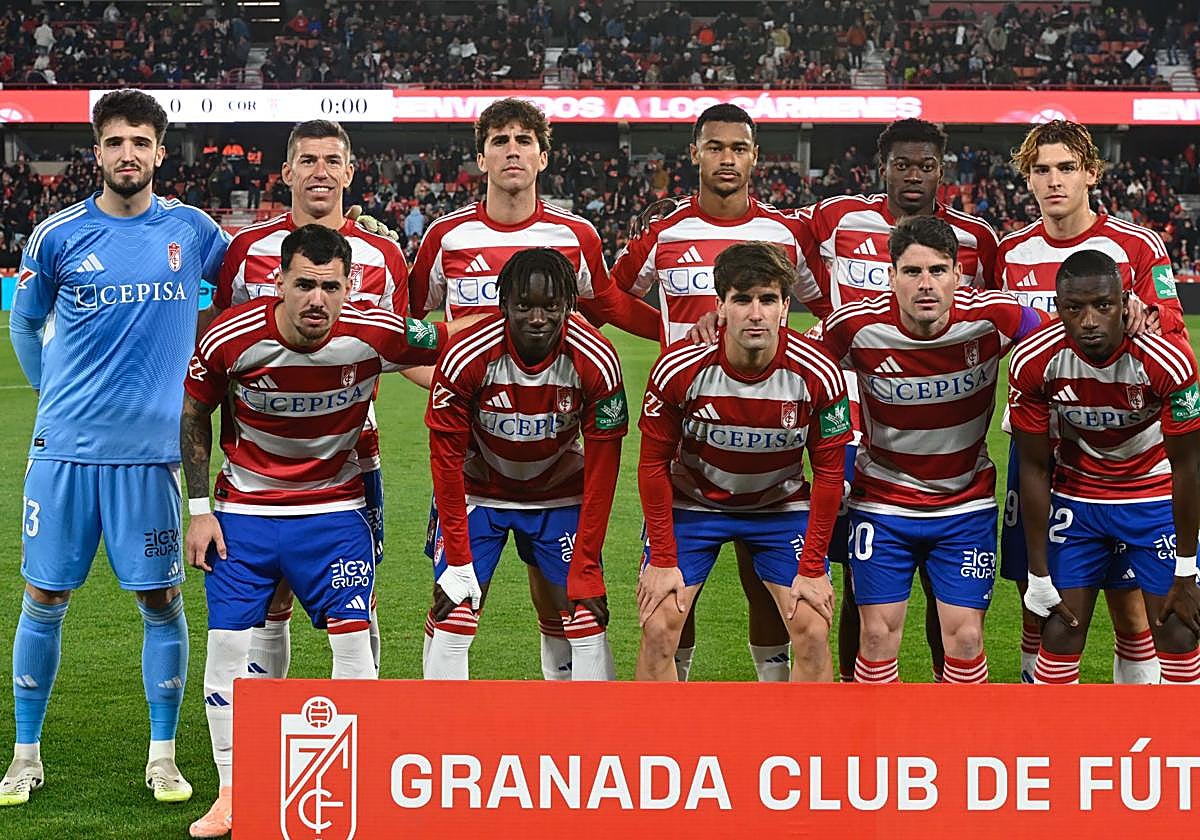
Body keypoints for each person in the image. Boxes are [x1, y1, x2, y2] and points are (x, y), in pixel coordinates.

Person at [181, 225, 454, 837]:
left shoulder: (376, 331)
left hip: (335, 511)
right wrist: (198, 509)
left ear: (349, 286)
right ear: (279, 282)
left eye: (330, 287)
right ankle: (234, 787)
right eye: (303, 284)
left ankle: (346, 778)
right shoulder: (231, 338)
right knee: (227, 646)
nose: (316, 300)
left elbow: (450, 342)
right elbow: (195, 412)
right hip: (245, 513)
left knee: (353, 643)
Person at [2, 90, 228, 807]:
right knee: (44, 595)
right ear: (96, 152)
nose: (127, 153)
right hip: (64, 454)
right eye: (115, 142)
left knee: (161, 600)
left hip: (155, 457)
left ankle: (162, 757)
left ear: (160, 153)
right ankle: (25, 755)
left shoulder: (193, 231)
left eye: (140, 142)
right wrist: (54, 400)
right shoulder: (56, 236)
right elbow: (24, 322)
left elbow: (245, 288)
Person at [410, 98, 659, 681]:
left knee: (567, 605)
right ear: (481, 157)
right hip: (474, 454)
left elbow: (608, 306)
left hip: (555, 460)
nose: (513, 150)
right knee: (454, 600)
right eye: (500, 140)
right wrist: (452, 389)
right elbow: (409, 334)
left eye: (525, 140)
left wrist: (685, 329)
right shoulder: (446, 237)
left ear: (543, 156)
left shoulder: (575, 234)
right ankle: (439, 734)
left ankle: (571, 733)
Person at [613, 103, 826, 683]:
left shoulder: (785, 233)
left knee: (767, 591)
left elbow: (828, 306)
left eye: (738, 148)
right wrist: (668, 334)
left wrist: (786, 345)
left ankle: (777, 697)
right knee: (679, 599)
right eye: (715, 147)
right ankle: (675, 712)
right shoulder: (665, 231)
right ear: (695, 154)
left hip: (771, 425)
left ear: (755, 156)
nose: (726, 158)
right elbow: (612, 297)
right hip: (686, 430)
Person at [202, 119, 410, 682]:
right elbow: (224, 354)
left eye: (331, 160)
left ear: (349, 170)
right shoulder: (248, 249)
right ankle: (265, 728)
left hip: (351, 453)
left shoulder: (384, 253)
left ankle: (361, 726)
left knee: (355, 597)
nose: (320, 171)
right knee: (268, 601)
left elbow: (398, 344)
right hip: (258, 458)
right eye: (308, 160)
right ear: (287, 171)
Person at [794, 119, 999, 683]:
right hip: (859, 429)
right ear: (881, 166)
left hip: (950, 441)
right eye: (902, 164)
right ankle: (855, 699)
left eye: (926, 165)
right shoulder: (836, 218)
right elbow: (768, 230)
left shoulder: (977, 238)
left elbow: (1010, 312)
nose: (913, 175)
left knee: (950, 600)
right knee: (867, 604)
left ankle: (944, 692)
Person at [997, 119, 1186, 684]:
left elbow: (1170, 325)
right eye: (1042, 170)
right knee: (1041, 603)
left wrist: (1148, 317)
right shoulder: (1009, 252)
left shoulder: (1135, 245)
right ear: (1027, 179)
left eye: (1067, 168)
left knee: (1132, 608)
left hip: (1121, 450)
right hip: (1039, 446)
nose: (1054, 181)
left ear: (1091, 174)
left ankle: (1139, 736)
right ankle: (1046, 727)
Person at [820, 216, 1047, 684]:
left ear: (958, 276)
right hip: (883, 502)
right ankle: (879, 752)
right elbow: (796, 363)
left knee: (964, 639)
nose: (926, 284)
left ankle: (956, 751)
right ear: (891, 276)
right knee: (878, 637)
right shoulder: (855, 326)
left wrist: (1144, 314)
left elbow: (1059, 335)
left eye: (938, 271)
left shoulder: (995, 318)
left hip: (965, 502)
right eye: (912, 271)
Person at [635, 242, 850, 682]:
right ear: (721, 306)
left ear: (785, 307)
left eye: (768, 300)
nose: (756, 313)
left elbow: (829, 472)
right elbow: (653, 464)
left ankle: (806, 748)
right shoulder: (678, 369)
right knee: (658, 627)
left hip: (780, 508)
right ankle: (659, 747)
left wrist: (812, 569)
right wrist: (661, 558)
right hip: (692, 505)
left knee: (811, 628)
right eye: (742, 300)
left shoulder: (818, 372)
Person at [423, 248, 626, 680]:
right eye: (524, 306)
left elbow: (605, 471)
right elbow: (445, 461)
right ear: (503, 305)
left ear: (569, 305)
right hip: (479, 492)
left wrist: (587, 564)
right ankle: (439, 733)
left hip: (559, 494)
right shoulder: (465, 356)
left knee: (585, 612)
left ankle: (588, 737)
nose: (538, 318)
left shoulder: (597, 360)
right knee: (455, 609)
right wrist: (457, 561)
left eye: (551, 306)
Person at [1009, 250, 1200, 684]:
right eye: (1075, 308)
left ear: (1124, 302)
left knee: (1177, 630)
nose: (1090, 321)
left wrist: (1187, 572)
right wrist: (1038, 575)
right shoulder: (1035, 360)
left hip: (1152, 496)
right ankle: (1053, 749)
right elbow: (1035, 469)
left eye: (1103, 305)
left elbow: (1188, 467)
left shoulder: (1167, 360)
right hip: (1079, 498)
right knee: (1059, 630)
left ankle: (1180, 749)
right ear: (1058, 309)